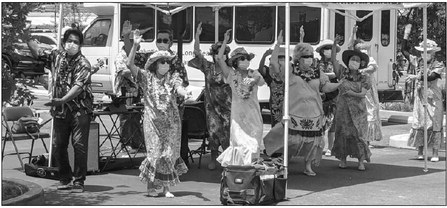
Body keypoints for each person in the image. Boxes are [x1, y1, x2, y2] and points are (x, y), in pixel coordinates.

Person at [264, 31, 341, 176]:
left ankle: (308, 165)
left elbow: (325, 87)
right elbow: (274, 64)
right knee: (291, 140)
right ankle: (284, 162)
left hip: (314, 112)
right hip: (295, 112)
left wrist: (339, 85)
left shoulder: (317, 72)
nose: (309, 59)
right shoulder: (290, 70)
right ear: (298, 58)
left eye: (310, 57)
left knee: (313, 141)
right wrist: (278, 45)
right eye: (305, 57)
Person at [27, 28, 93, 192]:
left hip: (80, 110)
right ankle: (65, 178)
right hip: (60, 110)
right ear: (64, 42)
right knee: (58, 145)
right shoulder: (57, 56)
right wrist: (26, 36)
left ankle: (79, 181)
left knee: (79, 145)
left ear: (80, 45)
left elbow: (78, 87)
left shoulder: (84, 64)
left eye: (76, 42)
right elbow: (39, 53)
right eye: (69, 41)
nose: (72, 44)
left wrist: (62, 100)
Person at [127, 29, 189, 198]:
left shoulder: (172, 76)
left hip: (171, 123)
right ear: (155, 64)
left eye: (167, 62)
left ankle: (166, 188)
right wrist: (135, 45)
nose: (166, 65)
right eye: (162, 62)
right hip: (153, 122)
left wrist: (185, 93)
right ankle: (150, 187)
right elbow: (129, 65)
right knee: (154, 153)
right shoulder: (146, 77)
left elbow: (180, 87)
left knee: (168, 154)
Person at [215, 29, 265, 166]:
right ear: (236, 62)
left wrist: (254, 78)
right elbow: (219, 59)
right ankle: (239, 173)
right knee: (240, 145)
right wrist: (225, 41)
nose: (245, 61)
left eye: (247, 58)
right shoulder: (231, 75)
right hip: (238, 117)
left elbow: (261, 83)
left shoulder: (254, 74)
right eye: (242, 59)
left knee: (254, 144)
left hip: (253, 115)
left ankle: (251, 173)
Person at [188, 22, 232, 170]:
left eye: (224, 52)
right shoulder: (208, 67)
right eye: (218, 52)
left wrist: (226, 41)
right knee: (213, 132)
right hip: (212, 106)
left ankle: (227, 159)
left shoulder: (230, 69)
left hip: (227, 107)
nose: (221, 55)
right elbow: (197, 53)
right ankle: (213, 158)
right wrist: (197, 37)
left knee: (227, 132)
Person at [402, 24, 445, 162]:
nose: (424, 54)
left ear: (433, 53)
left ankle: (435, 152)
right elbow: (404, 51)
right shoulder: (417, 62)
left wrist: (416, 77)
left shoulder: (439, 65)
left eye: (427, 52)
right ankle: (420, 150)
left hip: (434, 99)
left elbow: (432, 77)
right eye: (422, 52)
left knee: (435, 123)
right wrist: (406, 35)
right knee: (420, 122)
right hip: (420, 98)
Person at [331, 36, 372, 171]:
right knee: (342, 133)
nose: (354, 62)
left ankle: (361, 161)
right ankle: (343, 159)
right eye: (352, 59)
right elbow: (333, 60)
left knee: (359, 134)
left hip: (358, 111)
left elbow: (363, 94)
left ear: (361, 63)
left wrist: (350, 93)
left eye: (357, 60)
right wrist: (334, 45)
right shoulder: (342, 73)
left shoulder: (364, 77)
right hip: (343, 111)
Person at [114, 21, 150, 152]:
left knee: (136, 117)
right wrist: (137, 71)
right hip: (125, 91)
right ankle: (126, 144)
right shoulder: (121, 55)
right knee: (126, 118)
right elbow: (123, 71)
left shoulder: (139, 55)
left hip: (137, 91)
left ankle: (137, 142)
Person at [348, 26, 383, 145]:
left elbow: (372, 67)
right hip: (356, 87)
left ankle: (367, 138)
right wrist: (352, 34)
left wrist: (363, 71)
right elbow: (349, 47)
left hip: (367, 89)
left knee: (370, 110)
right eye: (359, 49)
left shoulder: (369, 59)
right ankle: (358, 137)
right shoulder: (353, 59)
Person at [315, 38, 341, 157]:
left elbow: (337, 74)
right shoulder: (316, 63)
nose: (329, 51)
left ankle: (330, 147)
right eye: (327, 49)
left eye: (331, 49)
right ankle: (318, 146)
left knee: (332, 124)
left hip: (333, 96)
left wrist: (326, 75)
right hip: (320, 96)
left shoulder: (336, 64)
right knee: (319, 123)